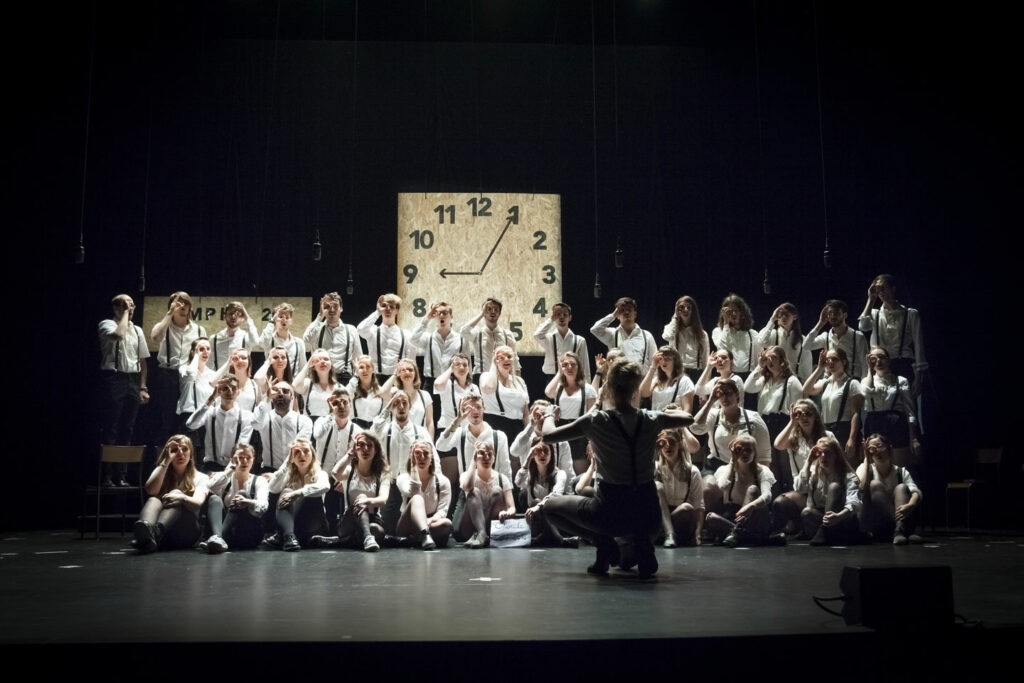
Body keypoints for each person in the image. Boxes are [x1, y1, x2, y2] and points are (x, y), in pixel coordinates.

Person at [539, 358, 694, 579]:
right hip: (648, 517)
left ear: (609, 387)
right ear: (635, 389)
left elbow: (548, 435)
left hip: (610, 514)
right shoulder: (651, 419)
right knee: (601, 503)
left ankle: (604, 543)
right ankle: (639, 547)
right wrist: (667, 412)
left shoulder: (596, 421)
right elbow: (688, 418)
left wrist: (548, 415)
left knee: (549, 507)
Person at [98, 294, 150, 486]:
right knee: (111, 426)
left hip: (133, 379)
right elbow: (118, 336)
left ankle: (121, 475)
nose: (131, 309)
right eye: (126, 305)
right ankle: (106, 475)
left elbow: (143, 361)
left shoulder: (137, 330)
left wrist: (143, 387)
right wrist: (124, 316)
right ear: (116, 308)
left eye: (132, 305)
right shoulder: (107, 324)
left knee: (127, 428)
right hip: (114, 377)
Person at [310, 431, 390, 552]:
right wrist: (350, 454)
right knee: (361, 499)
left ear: (376, 450)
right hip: (349, 522)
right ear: (356, 449)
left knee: (375, 529)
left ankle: (342, 541)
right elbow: (335, 473)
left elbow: (383, 499)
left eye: (370, 445)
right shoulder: (350, 470)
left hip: (373, 520)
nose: (365, 449)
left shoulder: (382, 474)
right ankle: (367, 538)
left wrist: (367, 501)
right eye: (361, 445)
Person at [370, 391, 436, 533]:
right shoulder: (384, 430)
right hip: (389, 485)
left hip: (412, 485)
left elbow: (434, 458)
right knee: (386, 530)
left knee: (411, 530)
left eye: (404, 403)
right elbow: (372, 431)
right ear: (391, 407)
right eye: (396, 403)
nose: (400, 406)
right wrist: (387, 407)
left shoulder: (420, 431)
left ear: (410, 406)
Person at [133, 435, 209, 553]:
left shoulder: (201, 477)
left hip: (187, 532)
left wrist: (182, 498)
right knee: (153, 500)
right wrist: (166, 461)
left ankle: (153, 535)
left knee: (176, 493)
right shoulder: (161, 470)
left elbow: (198, 503)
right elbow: (150, 490)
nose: (180, 453)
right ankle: (148, 535)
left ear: (191, 455)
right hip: (166, 536)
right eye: (174, 450)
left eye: (184, 449)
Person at [703, 434, 779, 547]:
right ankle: (750, 537)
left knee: (752, 489)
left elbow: (767, 496)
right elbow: (723, 487)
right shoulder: (724, 470)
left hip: (756, 515)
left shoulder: (763, 471)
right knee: (711, 517)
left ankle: (736, 533)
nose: (744, 453)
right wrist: (732, 462)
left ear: (755, 453)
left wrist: (751, 506)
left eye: (749, 450)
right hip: (735, 516)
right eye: (740, 450)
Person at [150, 291, 206, 443]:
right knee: (166, 418)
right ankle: (165, 457)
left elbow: (204, 355)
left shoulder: (199, 330)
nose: (182, 306)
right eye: (178, 303)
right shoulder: (163, 326)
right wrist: (169, 314)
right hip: (167, 374)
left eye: (185, 302)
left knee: (187, 417)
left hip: (189, 376)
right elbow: (155, 338)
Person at [745, 346, 804, 487]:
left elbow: (797, 406)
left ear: (782, 361)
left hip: (782, 423)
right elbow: (748, 387)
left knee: (786, 464)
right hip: (765, 423)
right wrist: (759, 366)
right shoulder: (766, 380)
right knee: (771, 465)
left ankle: (789, 497)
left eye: (774, 357)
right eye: (767, 357)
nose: (769, 360)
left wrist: (795, 430)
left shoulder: (791, 381)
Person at [689, 378, 771, 478]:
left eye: (728, 393)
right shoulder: (713, 415)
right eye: (721, 394)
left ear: (737, 394)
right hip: (717, 465)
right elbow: (695, 428)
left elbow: (765, 455)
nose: (725, 398)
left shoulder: (753, 418)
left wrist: (759, 479)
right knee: (708, 488)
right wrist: (710, 401)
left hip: (745, 466)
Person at [858, 274, 927, 394]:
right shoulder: (874, 314)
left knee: (905, 407)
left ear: (893, 288)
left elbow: (918, 346)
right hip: (880, 365)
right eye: (878, 289)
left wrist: (918, 378)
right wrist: (871, 298)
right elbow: (863, 327)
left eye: (884, 288)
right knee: (881, 406)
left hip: (902, 363)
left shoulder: (910, 314)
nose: (881, 292)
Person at [770, 399, 834, 527]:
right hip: (803, 488)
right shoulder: (794, 438)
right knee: (780, 503)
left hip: (823, 489)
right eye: (799, 414)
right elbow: (778, 445)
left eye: (808, 413)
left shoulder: (827, 435)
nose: (804, 417)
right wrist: (792, 421)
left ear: (815, 416)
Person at [789, 436, 864, 545]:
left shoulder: (847, 476)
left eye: (828, 453)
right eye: (820, 453)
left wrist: (838, 516)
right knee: (807, 513)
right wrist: (808, 462)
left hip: (842, 519)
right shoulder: (813, 472)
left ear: (836, 455)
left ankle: (826, 531)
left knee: (834, 487)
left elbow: (855, 503)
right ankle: (828, 533)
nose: (824, 456)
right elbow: (799, 488)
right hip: (823, 520)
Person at [200, 443, 268, 553]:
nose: (244, 461)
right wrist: (231, 468)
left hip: (247, 535)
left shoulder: (260, 481)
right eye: (240, 457)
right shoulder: (226, 477)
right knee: (214, 499)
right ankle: (218, 537)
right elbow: (209, 487)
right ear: (233, 459)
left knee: (242, 494)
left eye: (248, 457)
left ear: (253, 459)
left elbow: (263, 506)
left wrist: (247, 502)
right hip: (228, 535)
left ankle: (218, 538)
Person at [263, 438, 329, 551]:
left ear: (312, 455)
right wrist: (287, 462)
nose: (301, 455)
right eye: (297, 452)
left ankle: (282, 534)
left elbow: (325, 486)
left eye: (306, 451)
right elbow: (272, 488)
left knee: (298, 494)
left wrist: (297, 493)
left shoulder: (321, 474)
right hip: (294, 527)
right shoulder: (288, 475)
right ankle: (289, 535)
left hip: (314, 525)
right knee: (286, 492)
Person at [802, 347, 864, 465]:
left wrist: (852, 438)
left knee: (847, 468)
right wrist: (819, 368)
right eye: (828, 360)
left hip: (844, 429)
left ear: (843, 362)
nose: (830, 362)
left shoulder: (852, 383)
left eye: (834, 359)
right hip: (827, 430)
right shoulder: (826, 382)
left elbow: (856, 413)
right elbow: (806, 389)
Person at [857, 434, 923, 545]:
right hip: (876, 523)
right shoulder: (865, 468)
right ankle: (903, 530)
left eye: (879, 446)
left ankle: (899, 530)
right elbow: (861, 489)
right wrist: (866, 460)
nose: (877, 451)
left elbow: (916, 492)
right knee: (874, 485)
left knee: (901, 487)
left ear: (889, 448)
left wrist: (911, 505)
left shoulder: (900, 471)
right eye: (872, 449)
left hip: (899, 525)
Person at [312, 386, 363, 529]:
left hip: (344, 478)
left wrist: (346, 478)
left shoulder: (358, 431)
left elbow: (358, 460)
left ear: (350, 404)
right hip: (322, 476)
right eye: (336, 403)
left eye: (344, 402)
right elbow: (317, 434)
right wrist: (330, 413)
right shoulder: (322, 422)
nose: (341, 406)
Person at [453, 441, 516, 548]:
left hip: (492, 525)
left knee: (497, 490)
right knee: (474, 491)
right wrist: (473, 461)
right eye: (482, 453)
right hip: (470, 528)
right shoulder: (466, 475)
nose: (486, 457)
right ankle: (481, 533)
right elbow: (467, 487)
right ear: (476, 456)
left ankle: (484, 534)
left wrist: (506, 513)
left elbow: (512, 508)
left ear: (494, 458)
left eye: (489, 454)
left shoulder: (502, 479)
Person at [862, 347, 920, 463]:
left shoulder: (901, 380)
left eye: (882, 357)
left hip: (896, 424)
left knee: (899, 465)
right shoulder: (866, 381)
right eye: (873, 359)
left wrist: (913, 437)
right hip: (874, 424)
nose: (878, 361)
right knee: (876, 468)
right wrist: (869, 369)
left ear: (889, 360)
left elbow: (909, 411)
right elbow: (867, 392)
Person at [393, 438, 453, 549]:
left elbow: (442, 511)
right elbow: (414, 492)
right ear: (412, 457)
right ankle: (424, 535)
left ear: (431, 458)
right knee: (417, 499)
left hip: (431, 522)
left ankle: (413, 540)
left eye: (426, 453)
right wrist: (413, 467)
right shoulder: (403, 478)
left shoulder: (442, 481)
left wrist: (427, 521)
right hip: (408, 524)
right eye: (417, 454)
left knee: (447, 523)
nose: (422, 458)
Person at [436, 394, 513, 481]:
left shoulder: (499, 436)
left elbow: (506, 470)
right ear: (465, 410)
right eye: (471, 408)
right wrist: (457, 421)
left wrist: (507, 493)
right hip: (467, 491)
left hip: (493, 490)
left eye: (478, 407)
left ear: (484, 408)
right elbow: (440, 446)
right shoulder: (460, 433)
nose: (475, 411)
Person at [185, 376, 254, 473]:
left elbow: (241, 446)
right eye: (225, 388)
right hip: (210, 467)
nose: (229, 392)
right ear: (219, 391)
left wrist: (225, 474)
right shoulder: (210, 412)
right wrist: (211, 398)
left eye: (233, 388)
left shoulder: (247, 417)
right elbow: (191, 424)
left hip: (234, 468)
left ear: (238, 392)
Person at [517, 438, 577, 547]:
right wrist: (528, 458)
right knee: (534, 501)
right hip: (536, 522)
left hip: (556, 522)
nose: (542, 454)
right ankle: (557, 540)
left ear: (551, 454)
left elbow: (556, 494)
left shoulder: (560, 473)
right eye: (538, 451)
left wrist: (539, 506)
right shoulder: (530, 475)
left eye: (546, 450)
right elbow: (518, 482)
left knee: (537, 503)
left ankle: (551, 537)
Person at [544, 352, 598, 464]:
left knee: (579, 469)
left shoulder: (588, 389)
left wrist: (591, 441)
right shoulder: (559, 387)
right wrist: (559, 372)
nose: (569, 367)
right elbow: (548, 392)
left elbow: (592, 416)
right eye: (565, 365)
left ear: (578, 367)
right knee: (559, 466)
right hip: (560, 429)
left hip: (579, 431)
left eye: (573, 364)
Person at [653, 428, 703, 547]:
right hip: (661, 520)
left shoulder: (692, 471)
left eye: (672, 442)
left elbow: (699, 506)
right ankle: (669, 534)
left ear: (680, 444)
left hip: (682, 520)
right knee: (658, 486)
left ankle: (670, 534)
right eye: (663, 443)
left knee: (686, 507)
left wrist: (698, 534)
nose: (668, 446)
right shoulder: (654, 469)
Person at [250, 380, 313, 473]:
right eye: (276, 390)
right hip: (269, 471)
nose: (280, 394)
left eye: (285, 391)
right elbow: (255, 424)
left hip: (295, 470)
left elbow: (299, 447)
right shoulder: (265, 418)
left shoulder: (304, 421)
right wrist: (266, 398)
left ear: (292, 397)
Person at [303, 292, 360, 384]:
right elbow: (306, 340)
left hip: (344, 379)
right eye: (328, 306)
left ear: (341, 308)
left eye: (335, 306)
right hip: (320, 378)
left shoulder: (351, 329)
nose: (332, 309)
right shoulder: (317, 328)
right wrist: (320, 316)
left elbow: (358, 358)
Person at [589, 297, 657, 375]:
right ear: (618, 315)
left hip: (641, 383)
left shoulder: (647, 336)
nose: (626, 312)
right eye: (622, 310)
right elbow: (595, 329)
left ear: (635, 314)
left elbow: (654, 363)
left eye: (629, 309)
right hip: (618, 382)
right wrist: (613, 315)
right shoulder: (612, 334)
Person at [357, 293, 416, 381]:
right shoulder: (373, 331)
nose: (387, 309)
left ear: (397, 310)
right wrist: (377, 312)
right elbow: (360, 329)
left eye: (391, 307)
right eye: (384, 306)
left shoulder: (406, 334)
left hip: (398, 379)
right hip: (375, 378)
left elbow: (410, 361)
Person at [805, 299, 869, 379]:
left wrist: (863, 386)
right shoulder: (826, 336)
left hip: (852, 381)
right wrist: (820, 323)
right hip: (831, 381)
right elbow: (806, 346)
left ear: (845, 315)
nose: (832, 316)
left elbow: (865, 365)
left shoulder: (858, 337)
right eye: (829, 313)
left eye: (836, 313)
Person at [479, 345, 530, 443]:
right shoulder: (486, 376)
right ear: (495, 359)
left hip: (517, 427)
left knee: (516, 458)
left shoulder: (519, 381)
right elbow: (488, 388)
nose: (506, 359)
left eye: (509, 357)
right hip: (495, 424)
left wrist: (528, 433)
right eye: (501, 357)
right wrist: (494, 363)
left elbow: (526, 413)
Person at [510, 400, 573, 478]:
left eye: (545, 415)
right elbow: (514, 452)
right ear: (531, 417)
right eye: (537, 415)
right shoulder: (525, 437)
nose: (541, 418)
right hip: (528, 486)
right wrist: (531, 425)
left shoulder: (561, 442)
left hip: (554, 486)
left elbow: (568, 472)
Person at [459, 297, 521, 376]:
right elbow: (463, 331)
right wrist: (481, 314)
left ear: (499, 313)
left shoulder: (507, 334)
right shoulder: (477, 333)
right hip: (481, 378)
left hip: (502, 378)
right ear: (484, 311)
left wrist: (517, 384)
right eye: (489, 309)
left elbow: (515, 363)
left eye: (496, 309)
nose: (493, 312)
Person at [412, 301, 466, 389]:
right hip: (431, 383)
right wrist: (427, 318)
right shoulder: (428, 338)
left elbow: (467, 363)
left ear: (451, 316)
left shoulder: (460, 339)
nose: (441, 316)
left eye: (445, 313)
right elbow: (413, 339)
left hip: (453, 382)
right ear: (435, 317)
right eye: (438, 313)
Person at [534, 302, 591, 382]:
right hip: (552, 379)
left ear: (570, 317)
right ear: (554, 316)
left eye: (565, 315)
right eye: (558, 314)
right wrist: (551, 320)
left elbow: (585, 367)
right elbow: (537, 335)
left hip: (573, 379)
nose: (561, 317)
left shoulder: (579, 340)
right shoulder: (549, 338)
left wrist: (587, 386)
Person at [379, 358, 435, 439]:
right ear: (399, 374)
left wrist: (430, 444)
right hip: (397, 440)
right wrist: (395, 374)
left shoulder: (424, 395)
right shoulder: (394, 392)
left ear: (415, 373)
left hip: (418, 442)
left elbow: (429, 423)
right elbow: (382, 393)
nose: (407, 372)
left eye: (410, 370)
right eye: (403, 370)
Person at [757, 302, 811, 381]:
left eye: (787, 314)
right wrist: (772, 319)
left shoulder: (801, 339)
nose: (784, 317)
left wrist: (804, 385)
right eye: (781, 314)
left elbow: (807, 365)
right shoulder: (772, 334)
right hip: (773, 380)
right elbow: (761, 342)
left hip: (793, 381)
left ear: (794, 317)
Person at [662, 295, 709, 384]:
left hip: (695, 373)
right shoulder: (671, 329)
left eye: (689, 307)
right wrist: (675, 316)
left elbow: (705, 360)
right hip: (676, 372)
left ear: (693, 311)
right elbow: (667, 336)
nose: (685, 310)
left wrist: (704, 386)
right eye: (682, 307)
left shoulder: (702, 334)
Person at [711, 294, 761, 377]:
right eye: (729, 311)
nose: (733, 314)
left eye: (736, 310)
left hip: (748, 376)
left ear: (742, 312)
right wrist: (726, 323)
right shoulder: (718, 331)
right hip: (727, 376)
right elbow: (722, 347)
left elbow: (758, 361)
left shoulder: (753, 334)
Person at [176, 338, 216, 436]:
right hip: (189, 415)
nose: (205, 351)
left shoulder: (212, 374)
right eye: (201, 349)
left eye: (208, 348)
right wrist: (197, 356)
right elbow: (191, 374)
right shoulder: (184, 369)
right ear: (193, 352)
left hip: (207, 417)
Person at [432, 353, 479, 437]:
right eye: (457, 365)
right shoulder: (447, 384)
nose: (461, 367)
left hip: (468, 431)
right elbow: (437, 385)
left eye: (465, 365)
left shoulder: (474, 387)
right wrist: (451, 368)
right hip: (448, 429)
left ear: (468, 368)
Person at [639, 346, 695, 412]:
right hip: (657, 420)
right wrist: (653, 367)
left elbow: (687, 409)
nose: (664, 361)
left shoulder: (684, 381)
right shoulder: (657, 380)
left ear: (675, 362)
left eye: (667, 359)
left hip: (674, 420)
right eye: (661, 359)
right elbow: (643, 393)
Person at [258, 302, 306, 376]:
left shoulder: (299, 343)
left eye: (287, 317)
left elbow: (303, 368)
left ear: (291, 321)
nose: (284, 320)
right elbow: (262, 342)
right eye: (280, 317)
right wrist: (271, 322)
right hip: (272, 384)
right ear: (275, 319)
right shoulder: (269, 340)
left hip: (292, 384)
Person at [208, 301, 260, 370]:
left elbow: (255, 341)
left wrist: (247, 318)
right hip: (220, 379)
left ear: (242, 317)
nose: (233, 316)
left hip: (240, 379)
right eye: (230, 313)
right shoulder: (214, 339)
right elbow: (210, 364)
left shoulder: (245, 337)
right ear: (225, 316)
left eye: (237, 314)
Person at [292, 348, 338, 422]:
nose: (322, 361)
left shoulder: (339, 387)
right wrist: (308, 364)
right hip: (310, 426)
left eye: (326, 359)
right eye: (318, 360)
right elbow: (295, 385)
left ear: (331, 364)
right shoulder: (308, 384)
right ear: (313, 366)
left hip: (331, 427)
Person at [210, 347, 260, 412]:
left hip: (247, 421)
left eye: (244, 358)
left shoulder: (255, 385)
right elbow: (212, 383)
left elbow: (259, 408)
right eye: (236, 358)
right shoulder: (226, 382)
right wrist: (229, 361)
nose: (240, 360)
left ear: (249, 362)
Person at [348, 355, 385, 428]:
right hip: (356, 429)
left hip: (375, 430)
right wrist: (356, 375)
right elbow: (345, 396)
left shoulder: (380, 390)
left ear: (373, 369)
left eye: (368, 367)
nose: (365, 370)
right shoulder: (352, 387)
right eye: (361, 367)